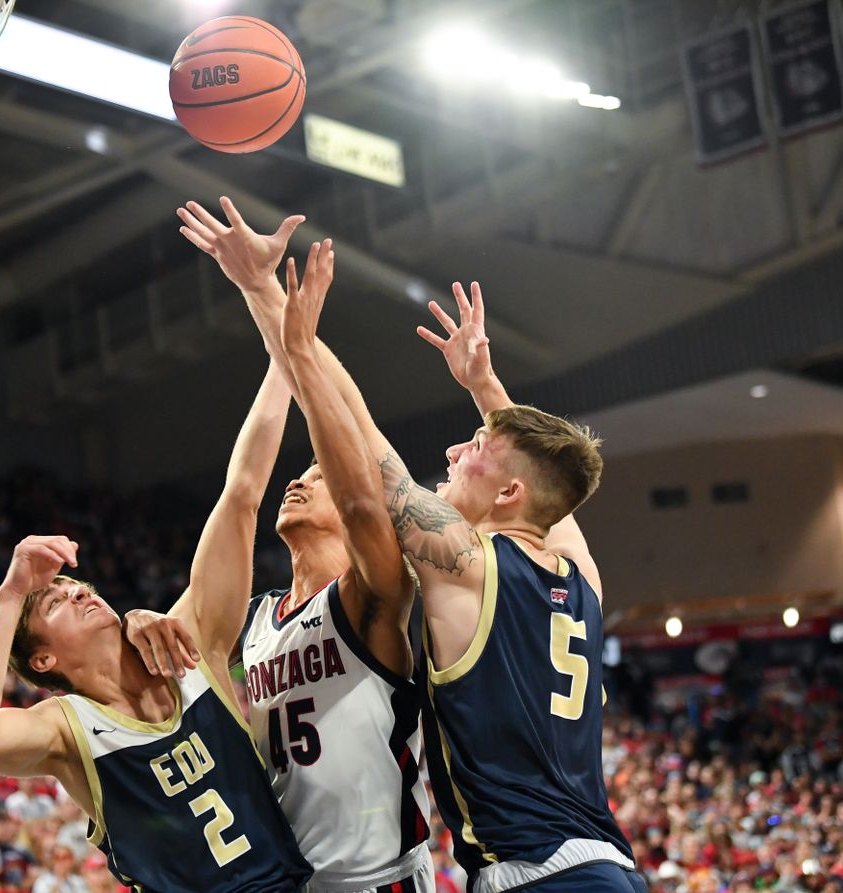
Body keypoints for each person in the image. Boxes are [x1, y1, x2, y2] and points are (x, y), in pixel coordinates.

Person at [209, 221, 638, 893]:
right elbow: (553, 501)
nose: (450, 455)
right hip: (608, 865)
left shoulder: (465, 561)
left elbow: (360, 438)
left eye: (470, 449)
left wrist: (265, 294)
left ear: (508, 491)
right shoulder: (579, 577)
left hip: (533, 876)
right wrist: (486, 385)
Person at [0, 362, 312, 893]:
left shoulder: (186, 643)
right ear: (43, 660)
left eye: (79, 586)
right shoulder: (68, 728)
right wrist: (13, 592)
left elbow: (242, 493)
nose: (78, 589)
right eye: (55, 603)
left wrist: (283, 354)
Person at [171, 201, 432, 893]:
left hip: (385, 880)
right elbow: (240, 493)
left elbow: (356, 478)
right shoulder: (252, 620)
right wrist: (148, 622)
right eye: (302, 471)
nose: (300, 478)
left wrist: (269, 297)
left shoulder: (372, 595)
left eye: (313, 475)